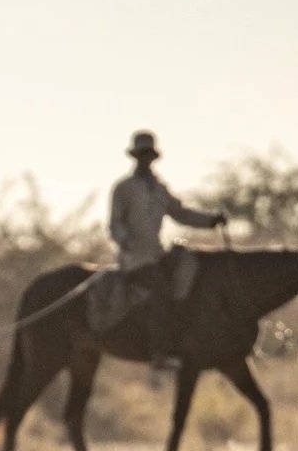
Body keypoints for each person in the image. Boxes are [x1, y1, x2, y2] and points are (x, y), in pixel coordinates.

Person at [95, 131, 226, 342]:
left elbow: (180, 214)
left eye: (148, 154)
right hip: (134, 258)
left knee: (192, 277)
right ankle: (159, 350)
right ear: (135, 157)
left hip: (157, 254)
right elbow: (115, 223)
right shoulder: (124, 188)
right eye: (142, 154)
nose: (145, 159)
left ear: (153, 157)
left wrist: (210, 221)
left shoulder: (159, 189)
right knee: (160, 289)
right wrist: (125, 240)